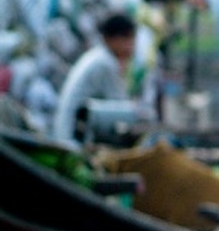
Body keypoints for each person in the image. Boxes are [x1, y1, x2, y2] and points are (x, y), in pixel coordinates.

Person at [51, 12, 156, 146]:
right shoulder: (105, 63)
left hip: (67, 132)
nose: (132, 47)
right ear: (112, 39)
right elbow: (121, 106)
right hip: (71, 139)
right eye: (129, 39)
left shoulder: (98, 56)